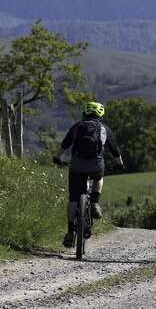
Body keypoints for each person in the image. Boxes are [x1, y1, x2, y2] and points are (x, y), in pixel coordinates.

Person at [54, 101, 123, 248]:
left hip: (77, 165)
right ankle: (94, 203)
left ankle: (70, 232)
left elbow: (64, 145)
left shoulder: (77, 126)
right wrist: (119, 164)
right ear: (101, 114)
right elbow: (115, 149)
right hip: (96, 165)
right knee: (99, 178)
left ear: (85, 113)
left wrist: (57, 158)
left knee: (73, 199)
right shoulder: (104, 128)